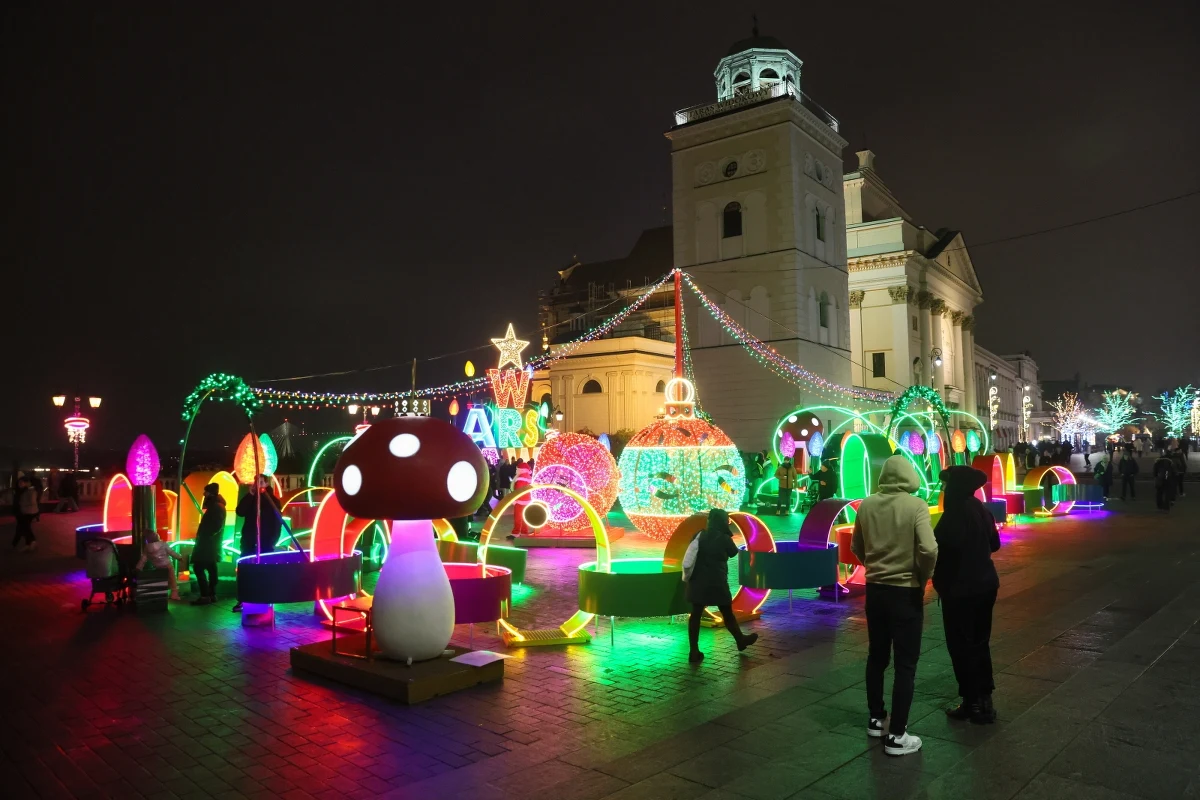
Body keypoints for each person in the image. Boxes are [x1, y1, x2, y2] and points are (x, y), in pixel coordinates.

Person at [850, 456, 937, 757]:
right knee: (905, 664)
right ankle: (898, 735)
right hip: (905, 592)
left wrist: (874, 567)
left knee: (877, 656)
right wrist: (922, 576)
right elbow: (928, 548)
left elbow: (856, 546)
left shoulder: (867, 505)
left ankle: (877, 719)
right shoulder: (916, 506)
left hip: (875, 591)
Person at [933, 466, 1000, 725]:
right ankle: (984, 700)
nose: (943, 489)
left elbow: (939, 548)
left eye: (946, 484)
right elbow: (995, 544)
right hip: (985, 585)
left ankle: (971, 701)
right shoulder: (980, 509)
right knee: (980, 643)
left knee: (960, 645)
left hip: (960, 590)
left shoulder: (954, 514)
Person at [684, 508, 758, 663]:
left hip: (697, 581)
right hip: (716, 581)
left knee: (696, 615)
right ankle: (740, 640)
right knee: (727, 612)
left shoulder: (699, 534)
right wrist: (727, 535)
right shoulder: (724, 538)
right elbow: (733, 552)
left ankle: (694, 651)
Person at [232, 475, 282, 612]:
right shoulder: (251, 498)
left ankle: (265, 598)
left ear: (266, 483)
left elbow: (277, 522)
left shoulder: (272, 500)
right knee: (246, 570)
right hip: (249, 540)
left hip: (265, 541)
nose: (257, 484)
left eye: (260, 482)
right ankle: (244, 599)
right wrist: (250, 495)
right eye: (256, 482)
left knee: (265, 570)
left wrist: (272, 539)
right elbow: (240, 512)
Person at [190, 483, 225, 605]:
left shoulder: (215, 507)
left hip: (207, 544)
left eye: (206, 492)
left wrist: (205, 535)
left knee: (198, 567)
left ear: (211, 493)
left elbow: (216, 525)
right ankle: (211, 594)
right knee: (211, 567)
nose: (204, 494)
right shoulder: (217, 506)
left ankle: (205, 595)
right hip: (211, 544)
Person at [137, 530, 185, 601]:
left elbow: (143, 559)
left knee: (161, 580)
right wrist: (179, 557)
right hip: (167, 565)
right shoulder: (163, 544)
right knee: (172, 579)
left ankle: (160, 595)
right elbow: (171, 552)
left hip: (158, 567)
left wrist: (138, 567)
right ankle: (174, 595)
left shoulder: (147, 548)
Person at [12, 476, 38, 552]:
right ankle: (29, 543)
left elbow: (32, 501)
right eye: (19, 482)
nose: (20, 484)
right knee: (24, 528)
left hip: (27, 512)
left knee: (25, 528)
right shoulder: (20, 491)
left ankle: (31, 542)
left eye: (22, 482)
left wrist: (22, 504)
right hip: (21, 512)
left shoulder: (29, 491)